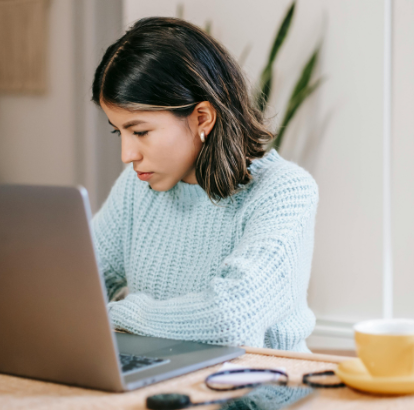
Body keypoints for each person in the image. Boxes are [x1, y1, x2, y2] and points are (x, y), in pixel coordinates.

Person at [91, 17, 318, 352]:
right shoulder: (137, 186)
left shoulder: (285, 191)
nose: (127, 154)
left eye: (140, 132)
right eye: (119, 131)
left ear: (202, 118)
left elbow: (230, 320)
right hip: (164, 381)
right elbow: (78, 285)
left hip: (258, 394)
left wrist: (115, 314)